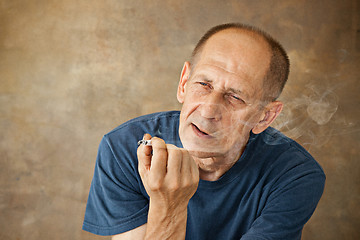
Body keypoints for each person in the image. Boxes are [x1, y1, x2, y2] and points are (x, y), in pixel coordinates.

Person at [83, 23, 325, 239]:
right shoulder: (123, 148)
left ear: (265, 117)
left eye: (235, 97)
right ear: (184, 83)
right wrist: (169, 206)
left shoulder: (295, 175)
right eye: (203, 84)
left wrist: (172, 204)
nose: (209, 111)